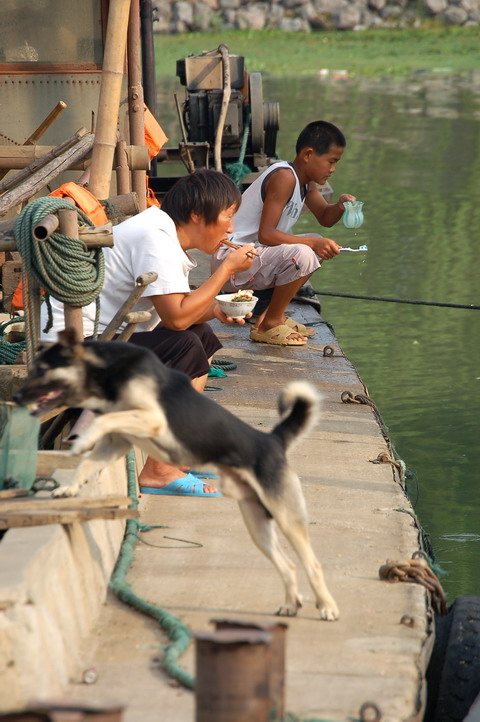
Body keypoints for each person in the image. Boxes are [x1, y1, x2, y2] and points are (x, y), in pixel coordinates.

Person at [41, 169, 255, 496]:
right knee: (184, 344)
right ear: (198, 215)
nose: (231, 228)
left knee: (202, 337)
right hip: (70, 349)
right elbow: (176, 319)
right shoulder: (155, 237)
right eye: (227, 217)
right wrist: (226, 269)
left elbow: (183, 312)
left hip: (103, 339)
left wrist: (215, 309)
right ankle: (159, 470)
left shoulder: (163, 232)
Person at [211, 120, 356, 346]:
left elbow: (325, 218)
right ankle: (272, 321)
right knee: (306, 252)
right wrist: (311, 244)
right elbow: (266, 235)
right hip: (232, 261)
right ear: (308, 154)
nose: (333, 169)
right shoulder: (284, 177)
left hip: (251, 258)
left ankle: (268, 317)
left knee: (315, 244)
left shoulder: (306, 183)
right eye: (331, 161)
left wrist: (340, 206)